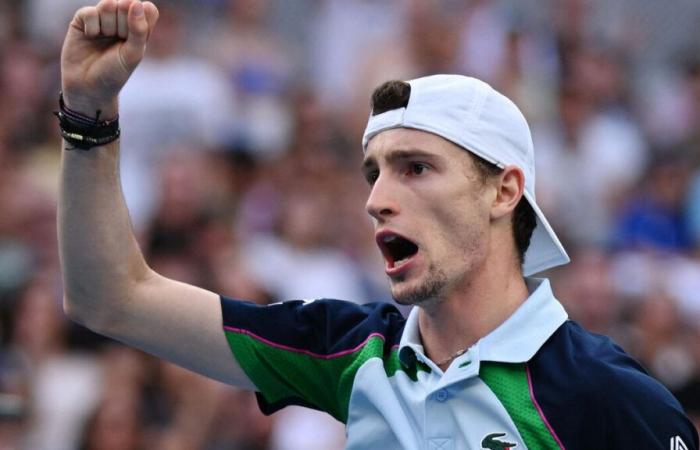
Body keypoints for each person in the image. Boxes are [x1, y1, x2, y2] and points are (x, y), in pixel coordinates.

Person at [57, 1, 699, 449]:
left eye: (416, 168)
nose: (378, 199)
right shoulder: (347, 350)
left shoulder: (613, 399)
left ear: (505, 191)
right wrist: (87, 115)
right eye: (374, 173)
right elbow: (110, 297)